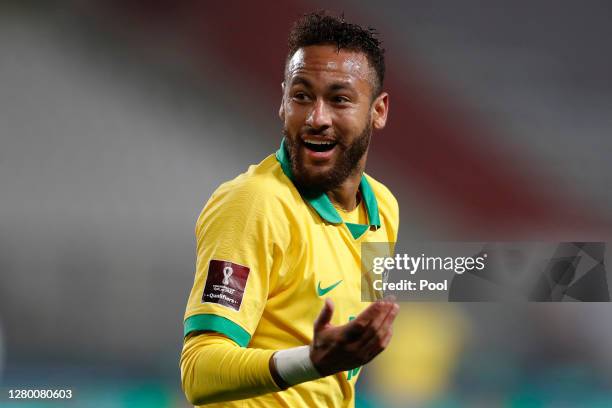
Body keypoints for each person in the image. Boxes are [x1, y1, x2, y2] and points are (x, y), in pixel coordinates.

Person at [180, 11, 400, 407]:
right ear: (283, 102)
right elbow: (198, 372)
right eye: (301, 96)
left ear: (378, 111)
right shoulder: (254, 204)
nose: (317, 118)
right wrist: (312, 361)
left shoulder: (383, 209)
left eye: (339, 100)